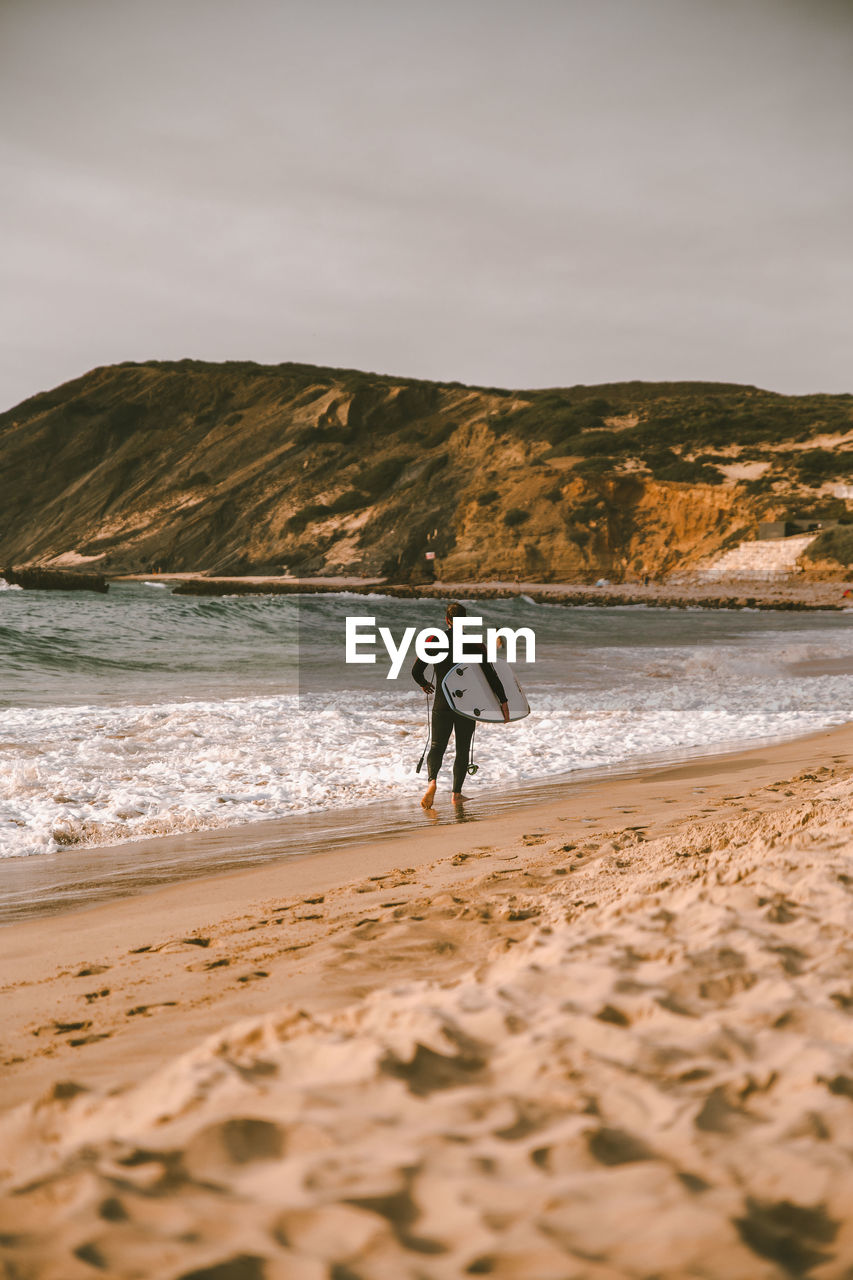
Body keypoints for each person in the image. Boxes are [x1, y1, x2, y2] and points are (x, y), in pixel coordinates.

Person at [411, 602, 509, 809]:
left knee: (437, 745)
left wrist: (424, 684)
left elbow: (416, 671)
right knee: (462, 749)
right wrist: (504, 701)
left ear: (447, 620)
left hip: (443, 701)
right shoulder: (474, 644)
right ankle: (456, 794)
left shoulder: (434, 640)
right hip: (466, 704)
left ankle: (432, 783)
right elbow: (491, 675)